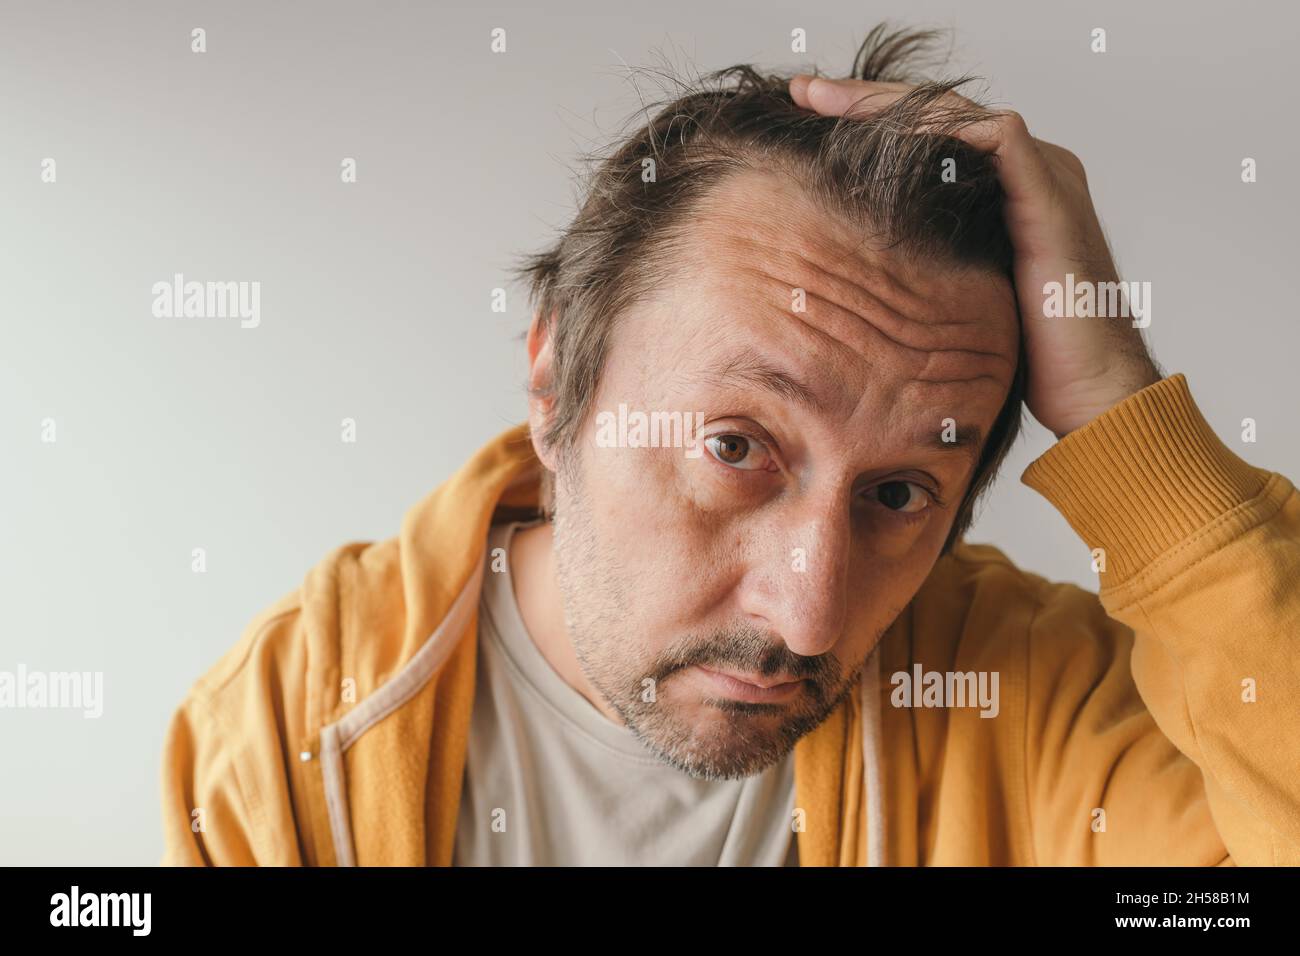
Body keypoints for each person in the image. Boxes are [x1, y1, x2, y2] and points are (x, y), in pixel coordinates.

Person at [161, 26, 1300, 866]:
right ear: (558, 379)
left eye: (900, 490)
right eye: (735, 445)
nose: (807, 615)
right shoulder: (287, 730)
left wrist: (1117, 408)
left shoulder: (1038, 710)